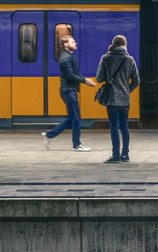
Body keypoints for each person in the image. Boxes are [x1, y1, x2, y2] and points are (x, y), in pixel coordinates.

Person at [42, 36, 96, 152]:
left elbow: (74, 73)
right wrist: (85, 81)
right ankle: (77, 144)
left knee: (72, 118)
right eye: (72, 41)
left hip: (70, 90)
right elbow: (70, 75)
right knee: (76, 118)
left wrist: (84, 79)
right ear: (65, 44)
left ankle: (49, 135)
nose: (75, 43)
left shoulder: (70, 56)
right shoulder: (65, 58)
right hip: (68, 91)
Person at [96, 35, 140, 164]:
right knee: (124, 127)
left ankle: (115, 155)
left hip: (112, 99)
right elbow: (136, 80)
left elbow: (99, 78)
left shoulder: (106, 58)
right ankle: (125, 155)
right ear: (125, 45)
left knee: (114, 127)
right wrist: (127, 90)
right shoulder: (130, 59)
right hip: (125, 99)